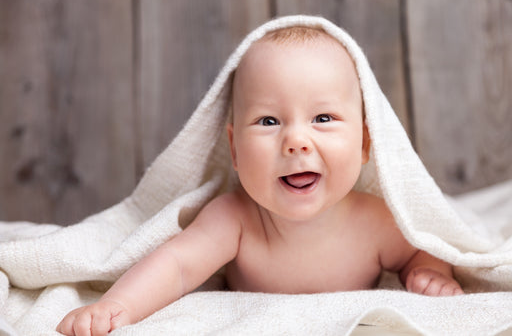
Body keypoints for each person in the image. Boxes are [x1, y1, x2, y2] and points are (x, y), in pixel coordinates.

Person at [57, 26, 463, 336]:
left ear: (364, 144)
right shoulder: (234, 219)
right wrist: (118, 307)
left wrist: (428, 272)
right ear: (233, 149)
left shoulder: (377, 222)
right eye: (268, 121)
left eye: (323, 118)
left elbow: (423, 247)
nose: (296, 142)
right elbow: (176, 266)